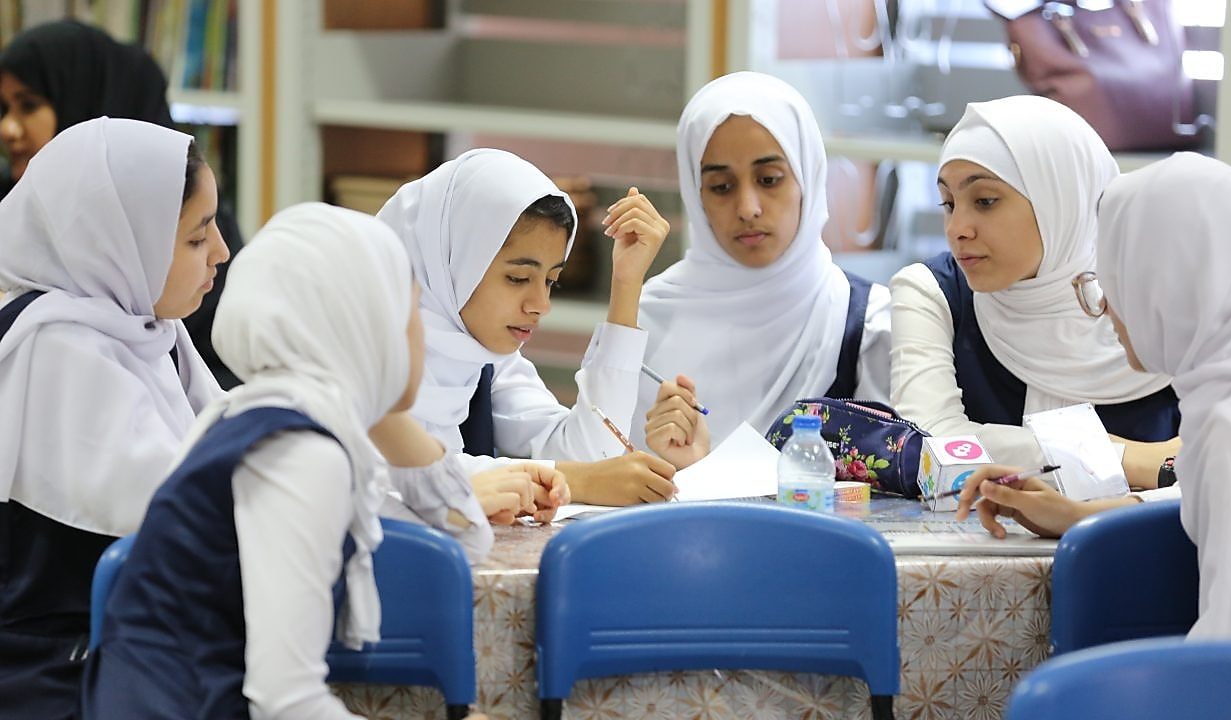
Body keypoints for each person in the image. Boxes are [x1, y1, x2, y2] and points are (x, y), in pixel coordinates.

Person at [80, 203, 498, 718]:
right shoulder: (302, 453)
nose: (419, 335)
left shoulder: (258, 412)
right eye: (407, 310)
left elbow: (464, 536)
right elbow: (288, 702)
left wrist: (376, 400)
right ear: (363, 324)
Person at [957, 152, 1231, 642]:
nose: (1105, 307)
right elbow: (1188, 497)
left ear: (1171, 282)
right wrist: (1075, 516)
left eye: (1117, 279)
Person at [0, 117, 227, 718]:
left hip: (126, 650)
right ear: (122, 241)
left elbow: (233, 443)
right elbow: (187, 502)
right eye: (198, 237)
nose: (223, 253)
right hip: (55, 673)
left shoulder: (148, 329)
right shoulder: (58, 349)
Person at [890, 95, 1180, 487]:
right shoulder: (932, 291)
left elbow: (1217, 467)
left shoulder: (1158, 302)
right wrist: (1126, 458)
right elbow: (929, 442)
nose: (958, 227)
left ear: (1062, 200)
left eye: (985, 201)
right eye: (948, 203)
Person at [377, 148, 678, 506]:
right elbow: (394, 480)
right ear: (449, 261)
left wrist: (626, 285)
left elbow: (591, 453)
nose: (541, 305)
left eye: (551, 281)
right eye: (518, 277)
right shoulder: (366, 350)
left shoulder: (483, 356)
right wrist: (571, 480)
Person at [632, 71, 891, 469]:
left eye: (769, 179)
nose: (748, 208)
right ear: (695, 194)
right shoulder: (648, 316)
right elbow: (603, 473)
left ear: (807, 177)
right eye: (721, 187)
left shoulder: (864, 322)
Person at [0, 19, 244, 386]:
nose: (8, 128)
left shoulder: (186, 213)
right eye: (4, 109)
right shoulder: (65, 349)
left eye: (29, 105)